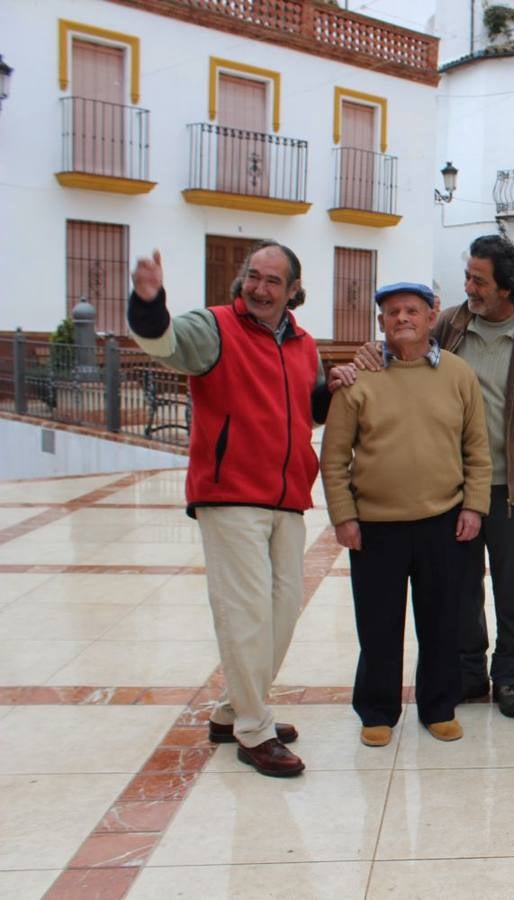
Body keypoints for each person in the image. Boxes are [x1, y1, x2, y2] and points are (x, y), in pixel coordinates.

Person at [340, 235, 514, 720]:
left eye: (478, 280)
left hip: (513, 486)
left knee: (510, 587)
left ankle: (508, 675)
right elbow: (406, 349)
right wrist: (368, 356)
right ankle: (468, 670)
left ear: (506, 287)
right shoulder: (452, 323)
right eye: (467, 277)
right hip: (454, 487)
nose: (469, 288)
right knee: (461, 588)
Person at [127, 242, 329, 778]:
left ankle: (232, 711)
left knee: (282, 610)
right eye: (252, 277)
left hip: (287, 494)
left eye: (272, 281)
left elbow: (310, 408)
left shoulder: (305, 345)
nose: (259, 289)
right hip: (230, 492)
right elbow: (164, 343)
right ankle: (255, 730)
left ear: (292, 292)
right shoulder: (213, 326)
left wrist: (341, 386)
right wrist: (148, 301)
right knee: (245, 613)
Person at [320, 282, 491, 747]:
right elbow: (334, 457)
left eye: (411, 310)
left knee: (441, 622)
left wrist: (474, 505)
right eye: (392, 312)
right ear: (380, 323)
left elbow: (477, 448)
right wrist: (343, 516)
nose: (402, 319)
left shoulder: (458, 375)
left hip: (444, 521)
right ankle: (377, 709)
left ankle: (438, 706)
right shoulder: (358, 380)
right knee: (378, 623)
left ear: (430, 317)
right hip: (375, 527)